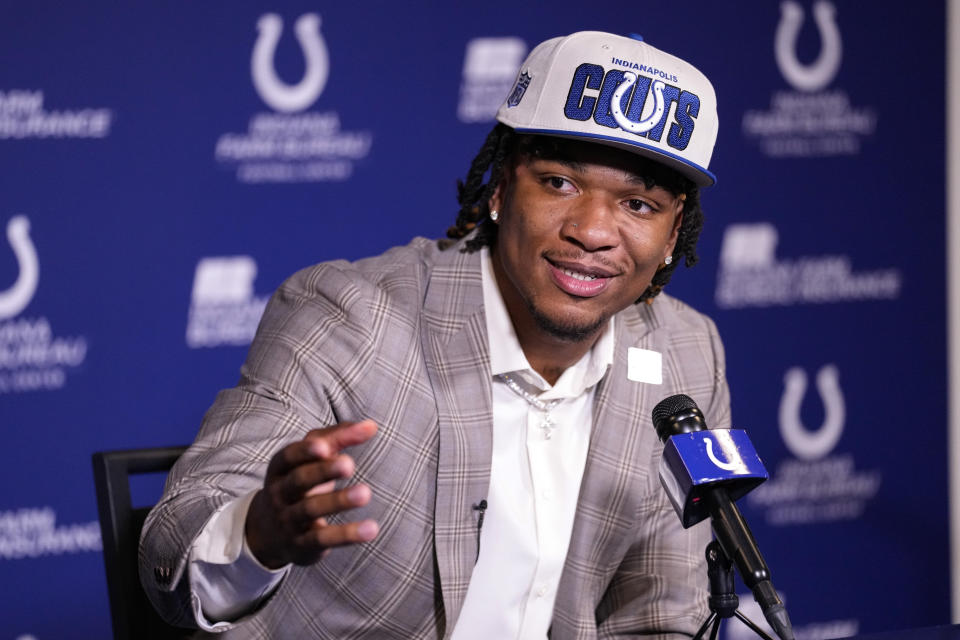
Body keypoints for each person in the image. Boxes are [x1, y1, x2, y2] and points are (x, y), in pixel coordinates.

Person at [140, 30, 730, 638]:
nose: (593, 231)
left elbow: (663, 612)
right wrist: (258, 535)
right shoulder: (349, 316)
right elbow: (177, 540)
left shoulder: (685, 353)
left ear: (672, 232)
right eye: (560, 183)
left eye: (638, 205)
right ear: (501, 187)